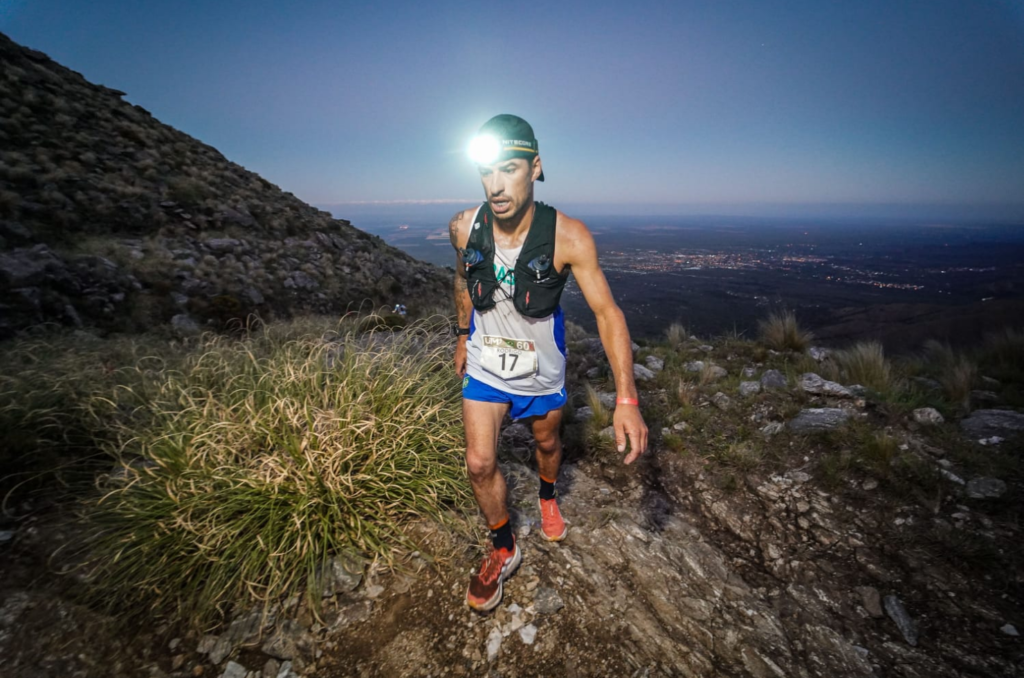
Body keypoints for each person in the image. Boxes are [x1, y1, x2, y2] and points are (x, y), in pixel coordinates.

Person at [449, 114, 648, 611]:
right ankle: (502, 549)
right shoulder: (462, 226)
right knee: (479, 462)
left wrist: (627, 398)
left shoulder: (569, 236)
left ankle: (547, 493)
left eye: (509, 169)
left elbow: (607, 313)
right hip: (485, 367)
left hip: (540, 372)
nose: (496, 185)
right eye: (486, 171)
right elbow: (460, 280)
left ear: (534, 168)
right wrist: (460, 334)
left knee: (547, 442)